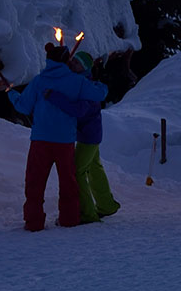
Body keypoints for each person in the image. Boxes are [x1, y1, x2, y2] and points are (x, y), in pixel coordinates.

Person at [8, 40, 108, 231]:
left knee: (35, 183)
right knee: (68, 182)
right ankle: (69, 219)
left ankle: (34, 222)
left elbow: (23, 106)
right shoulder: (76, 81)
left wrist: (12, 94)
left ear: (48, 60)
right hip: (65, 141)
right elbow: (100, 94)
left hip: (41, 140)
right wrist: (98, 83)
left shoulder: (39, 81)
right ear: (66, 61)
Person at [45, 49, 119, 223]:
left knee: (77, 171)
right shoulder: (80, 82)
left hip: (88, 136)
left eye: (77, 63)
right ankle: (106, 205)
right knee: (94, 169)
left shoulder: (86, 87)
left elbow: (79, 110)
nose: (73, 64)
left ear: (85, 68)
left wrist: (54, 97)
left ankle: (87, 213)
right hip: (89, 134)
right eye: (73, 61)